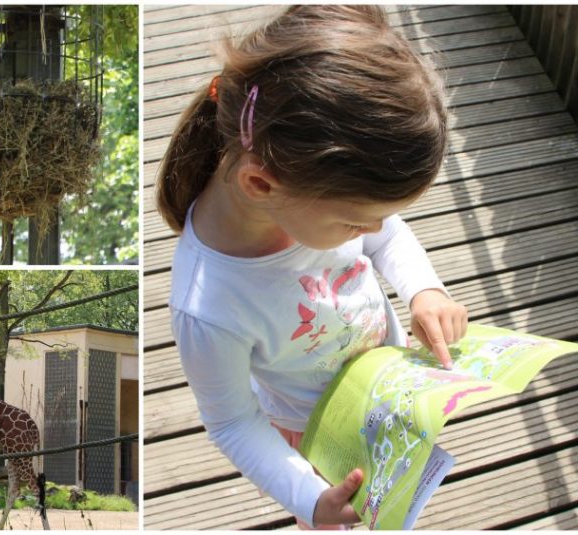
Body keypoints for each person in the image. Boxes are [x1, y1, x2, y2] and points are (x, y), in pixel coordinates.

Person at [156, 5, 469, 529]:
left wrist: (424, 291)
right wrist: (309, 499)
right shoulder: (208, 308)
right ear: (261, 184)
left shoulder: (310, 201)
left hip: (388, 391)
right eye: (356, 223)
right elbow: (233, 421)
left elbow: (386, 232)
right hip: (320, 445)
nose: (372, 231)